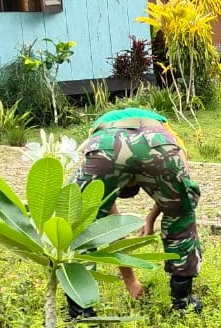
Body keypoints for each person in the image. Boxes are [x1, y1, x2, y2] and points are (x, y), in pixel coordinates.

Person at [73, 106, 204, 314]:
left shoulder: (98, 129)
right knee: (182, 217)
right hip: (158, 142)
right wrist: (159, 215)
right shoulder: (165, 128)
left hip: (107, 144)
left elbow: (111, 228)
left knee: (81, 222)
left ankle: (80, 313)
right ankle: (183, 303)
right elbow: (177, 191)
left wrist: (130, 281)